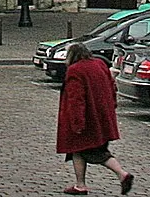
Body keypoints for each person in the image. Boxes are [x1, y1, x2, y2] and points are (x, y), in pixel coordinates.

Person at [55, 41, 134, 193]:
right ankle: (80, 184)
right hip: (101, 117)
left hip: (86, 120)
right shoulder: (99, 64)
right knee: (78, 150)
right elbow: (112, 86)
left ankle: (122, 174)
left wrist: (77, 122)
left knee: (94, 152)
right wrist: (112, 105)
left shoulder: (75, 70)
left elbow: (76, 98)